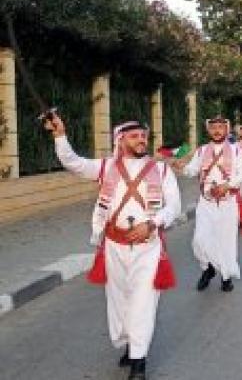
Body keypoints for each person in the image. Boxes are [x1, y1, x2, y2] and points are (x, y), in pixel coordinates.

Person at [47, 116, 180, 380]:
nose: (141, 140)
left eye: (143, 136)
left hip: (147, 247)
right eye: (134, 136)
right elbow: (73, 163)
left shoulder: (162, 170)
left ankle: (139, 361)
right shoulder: (106, 167)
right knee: (119, 302)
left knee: (143, 301)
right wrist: (60, 135)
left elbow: (173, 207)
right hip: (114, 246)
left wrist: (153, 223)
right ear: (120, 140)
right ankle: (130, 343)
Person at [173, 116, 242, 293]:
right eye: (213, 127)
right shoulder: (201, 151)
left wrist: (228, 185)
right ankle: (207, 268)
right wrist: (181, 166)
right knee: (199, 240)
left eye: (220, 127)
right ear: (208, 130)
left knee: (226, 241)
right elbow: (192, 171)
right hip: (205, 203)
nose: (217, 131)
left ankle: (225, 277)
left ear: (226, 130)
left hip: (227, 203)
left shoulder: (236, 150)